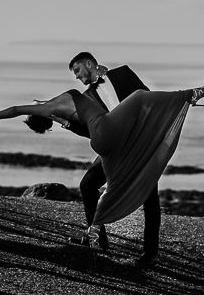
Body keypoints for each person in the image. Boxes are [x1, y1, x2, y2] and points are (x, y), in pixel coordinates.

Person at [0, 77, 204, 266]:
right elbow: (14, 109)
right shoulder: (52, 106)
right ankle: (190, 94)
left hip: (103, 141)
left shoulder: (56, 112)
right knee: (138, 97)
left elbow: (85, 112)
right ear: (36, 113)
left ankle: (95, 233)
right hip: (106, 132)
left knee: (109, 184)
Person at [64, 53, 158, 265]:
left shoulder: (123, 74)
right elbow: (92, 132)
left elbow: (150, 100)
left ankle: (150, 254)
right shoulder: (87, 97)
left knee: (150, 198)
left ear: (89, 64)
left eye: (78, 71)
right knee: (87, 185)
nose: (77, 77)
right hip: (114, 151)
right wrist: (66, 123)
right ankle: (98, 241)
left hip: (140, 146)